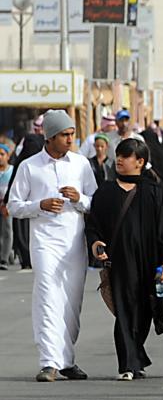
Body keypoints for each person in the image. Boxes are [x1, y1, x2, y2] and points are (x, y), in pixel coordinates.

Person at [7, 110, 98, 382]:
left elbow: (96, 202)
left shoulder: (81, 164)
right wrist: (40, 205)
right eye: (64, 135)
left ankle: (66, 361)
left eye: (72, 134)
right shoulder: (29, 166)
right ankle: (49, 362)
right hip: (44, 243)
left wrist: (79, 198)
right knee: (47, 297)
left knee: (71, 302)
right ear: (49, 137)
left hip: (74, 243)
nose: (70, 139)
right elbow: (14, 206)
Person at [86, 139, 163, 381]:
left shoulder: (153, 191)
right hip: (119, 263)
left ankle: (136, 358)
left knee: (144, 311)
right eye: (118, 155)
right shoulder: (105, 191)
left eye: (126, 156)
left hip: (149, 262)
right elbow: (93, 225)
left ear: (140, 162)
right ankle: (127, 364)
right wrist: (95, 244)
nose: (119, 160)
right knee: (124, 311)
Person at [6, 132, 45, 270]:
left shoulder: (43, 164)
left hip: (40, 208)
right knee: (22, 234)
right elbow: (13, 185)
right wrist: (7, 202)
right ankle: (26, 258)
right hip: (23, 207)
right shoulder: (23, 165)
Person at [0, 143, 12, 269]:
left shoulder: (12, 170)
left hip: (7, 205)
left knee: (7, 230)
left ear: (8, 156)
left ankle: (4, 259)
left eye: (2, 154)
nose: (0, 157)